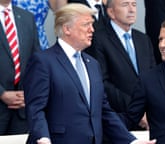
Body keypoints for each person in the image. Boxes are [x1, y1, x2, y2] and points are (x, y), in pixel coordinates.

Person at [23, 3, 156, 144]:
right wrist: (43, 137)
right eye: (86, 25)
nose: (92, 30)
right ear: (67, 29)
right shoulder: (43, 61)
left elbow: (104, 111)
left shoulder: (92, 64)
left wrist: (131, 141)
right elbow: (36, 108)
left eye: (92, 25)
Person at [89, 0, 155, 130]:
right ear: (111, 12)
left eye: (134, 4)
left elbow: (153, 78)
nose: (132, 9)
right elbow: (102, 83)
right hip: (117, 120)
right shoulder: (98, 39)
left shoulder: (143, 39)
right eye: (125, 5)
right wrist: (137, 109)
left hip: (149, 119)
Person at [0, 0, 40, 135]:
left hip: (22, 107)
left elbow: (36, 61)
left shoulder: (27, 17)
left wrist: (28, 93)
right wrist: (1, 94)